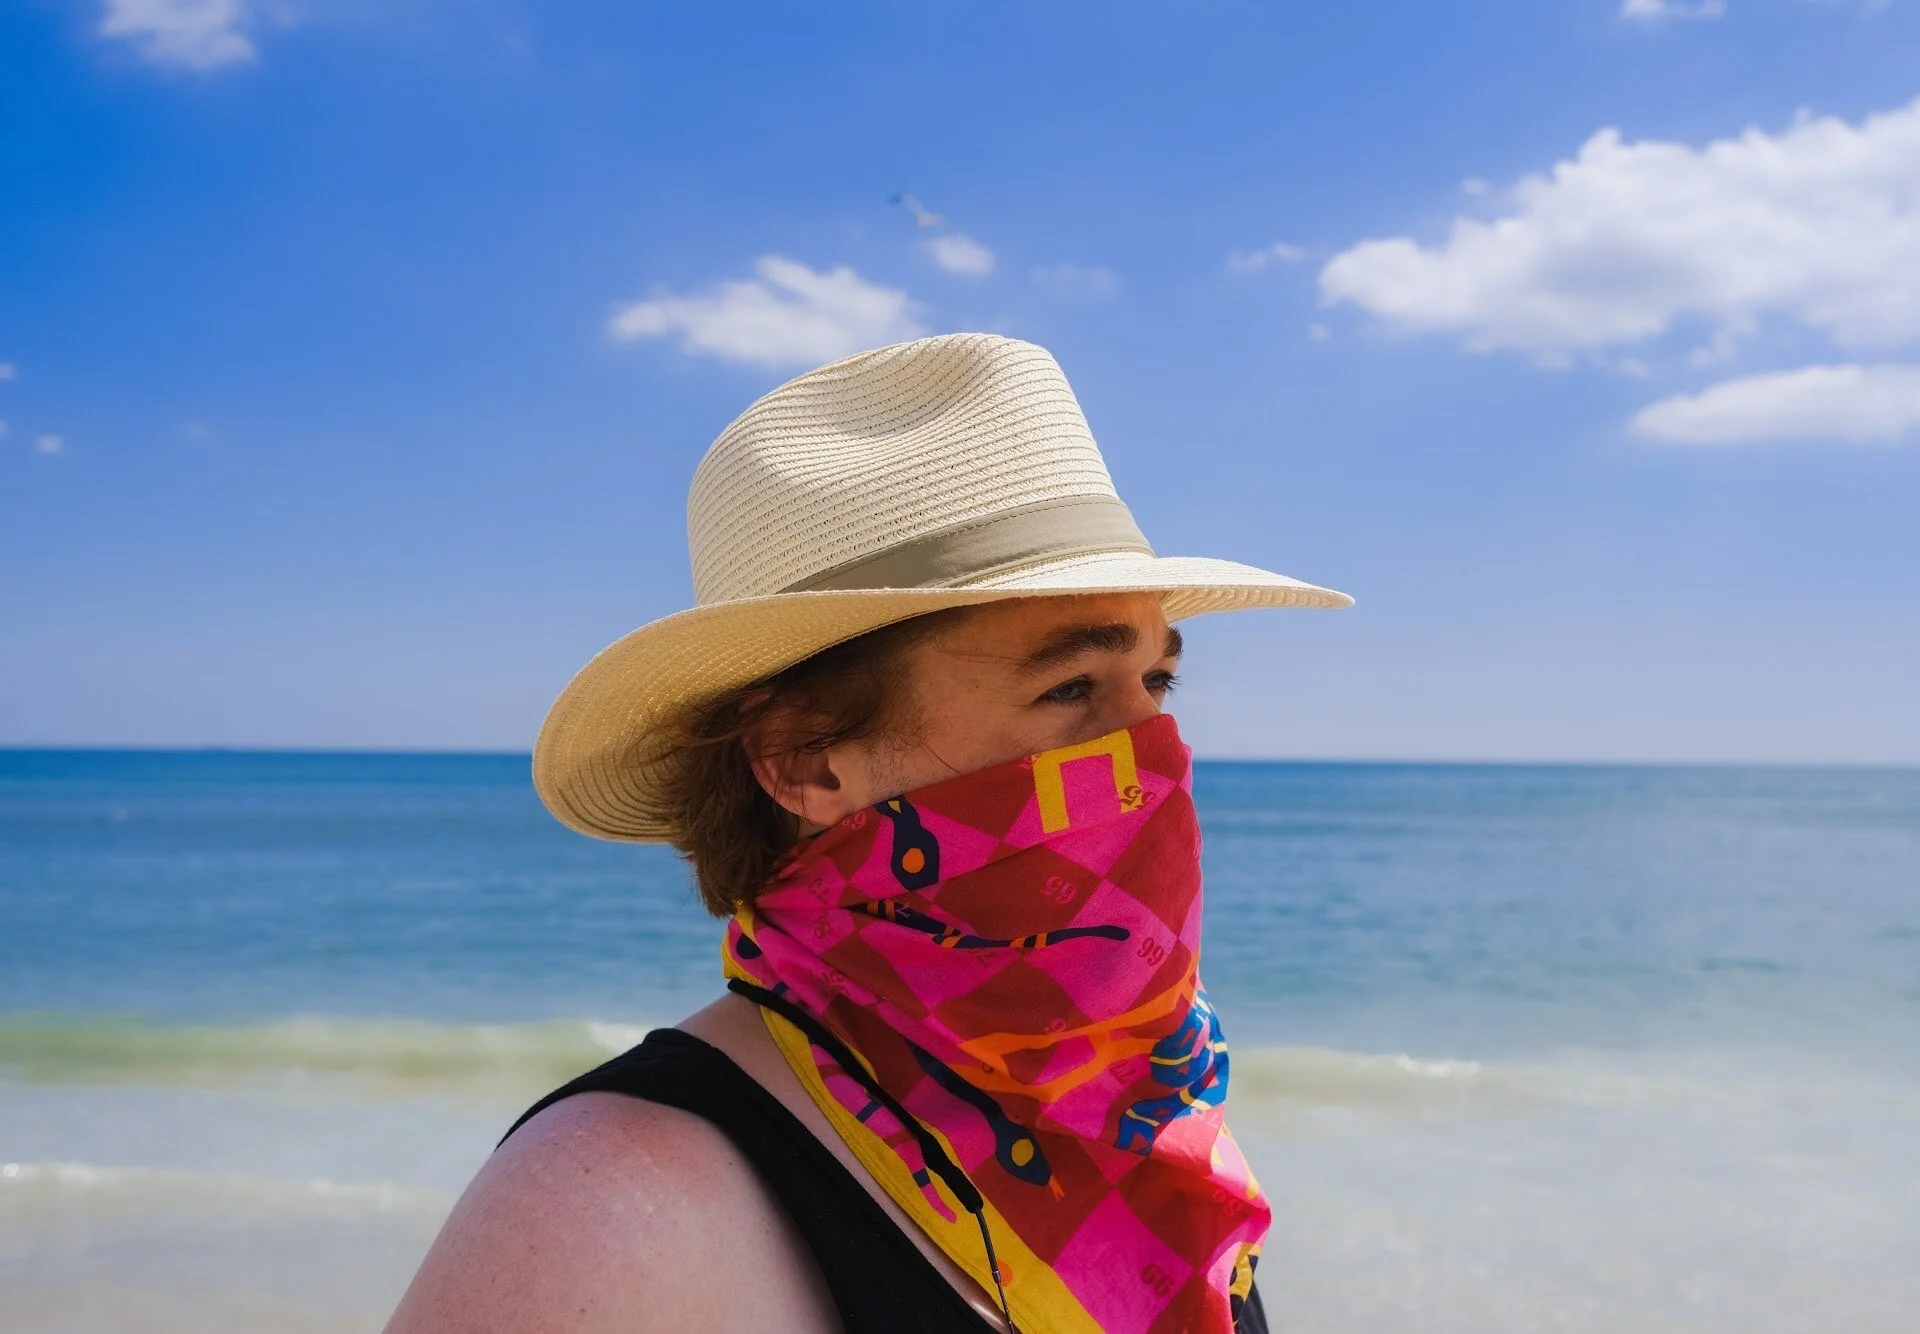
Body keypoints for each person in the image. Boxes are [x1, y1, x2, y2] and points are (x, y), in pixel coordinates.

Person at [386, 333, 1351, 1333]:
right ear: (805, 758)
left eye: (1157, 680)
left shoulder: (1139, 1103)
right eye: (1070, 686)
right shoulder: (610, 1204)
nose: (1151, 753)